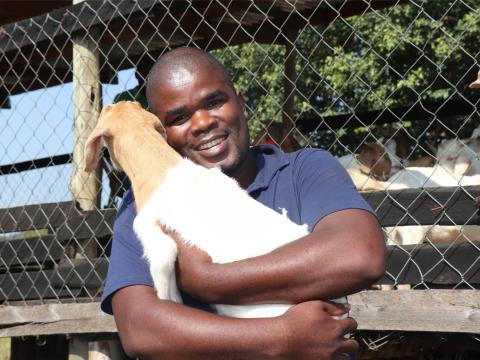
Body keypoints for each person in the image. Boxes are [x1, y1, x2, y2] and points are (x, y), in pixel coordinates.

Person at [100, 47, 386, 359]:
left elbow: (359, 255)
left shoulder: (304, 170)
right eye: (179, 117)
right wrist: (282, 337)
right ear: (162, 134)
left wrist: (211, 281)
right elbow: (140, 328)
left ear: (242, 103)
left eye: (214, 102)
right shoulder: (146, 202)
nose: (202, 123)